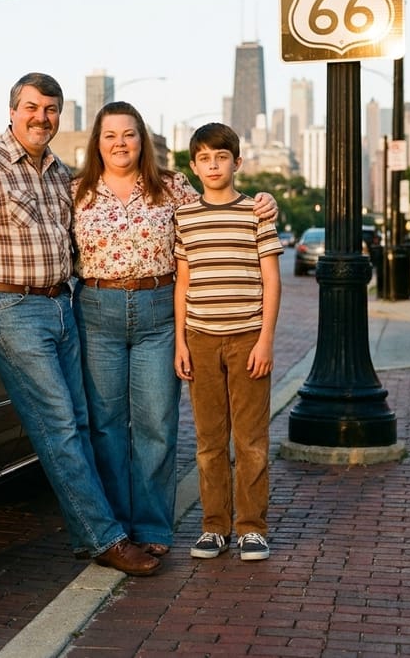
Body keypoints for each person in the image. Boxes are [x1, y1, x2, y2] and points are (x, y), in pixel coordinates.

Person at [0, 72, 160, 576]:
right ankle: (103, 539)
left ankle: (106, 525)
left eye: (51, 109)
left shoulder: (59, 173)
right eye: (32, 107)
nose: (42, 117)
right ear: (12, 110)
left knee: (80, 422)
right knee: (58, 425)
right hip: (10, 310)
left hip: (62, 303)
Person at [72, 102, 278, 558]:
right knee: (106, 427)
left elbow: (220, 205)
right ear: (97, 142)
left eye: (129, 134)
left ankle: (153, 529)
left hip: (157, 310)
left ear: (142, 139)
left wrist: (266, 200)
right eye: (110, 136)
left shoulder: (172, 187)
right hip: (98, 309)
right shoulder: (77, 192)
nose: (120, 143)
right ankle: (113, 530)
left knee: (157, 424)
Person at [173, 122, 283, 562]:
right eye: (204, 158)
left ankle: (252, 528)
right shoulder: (185, 218)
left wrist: (266, 341)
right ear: (194, 167)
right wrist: (180, 342)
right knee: (209, 440)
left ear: (237, 162)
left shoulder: (256, 213)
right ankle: (214, 526)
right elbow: (183, 283)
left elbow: (272, 281)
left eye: (222, 157)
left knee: (251, 439)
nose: (213, 165)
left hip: (247, 339)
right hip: (200, 339)